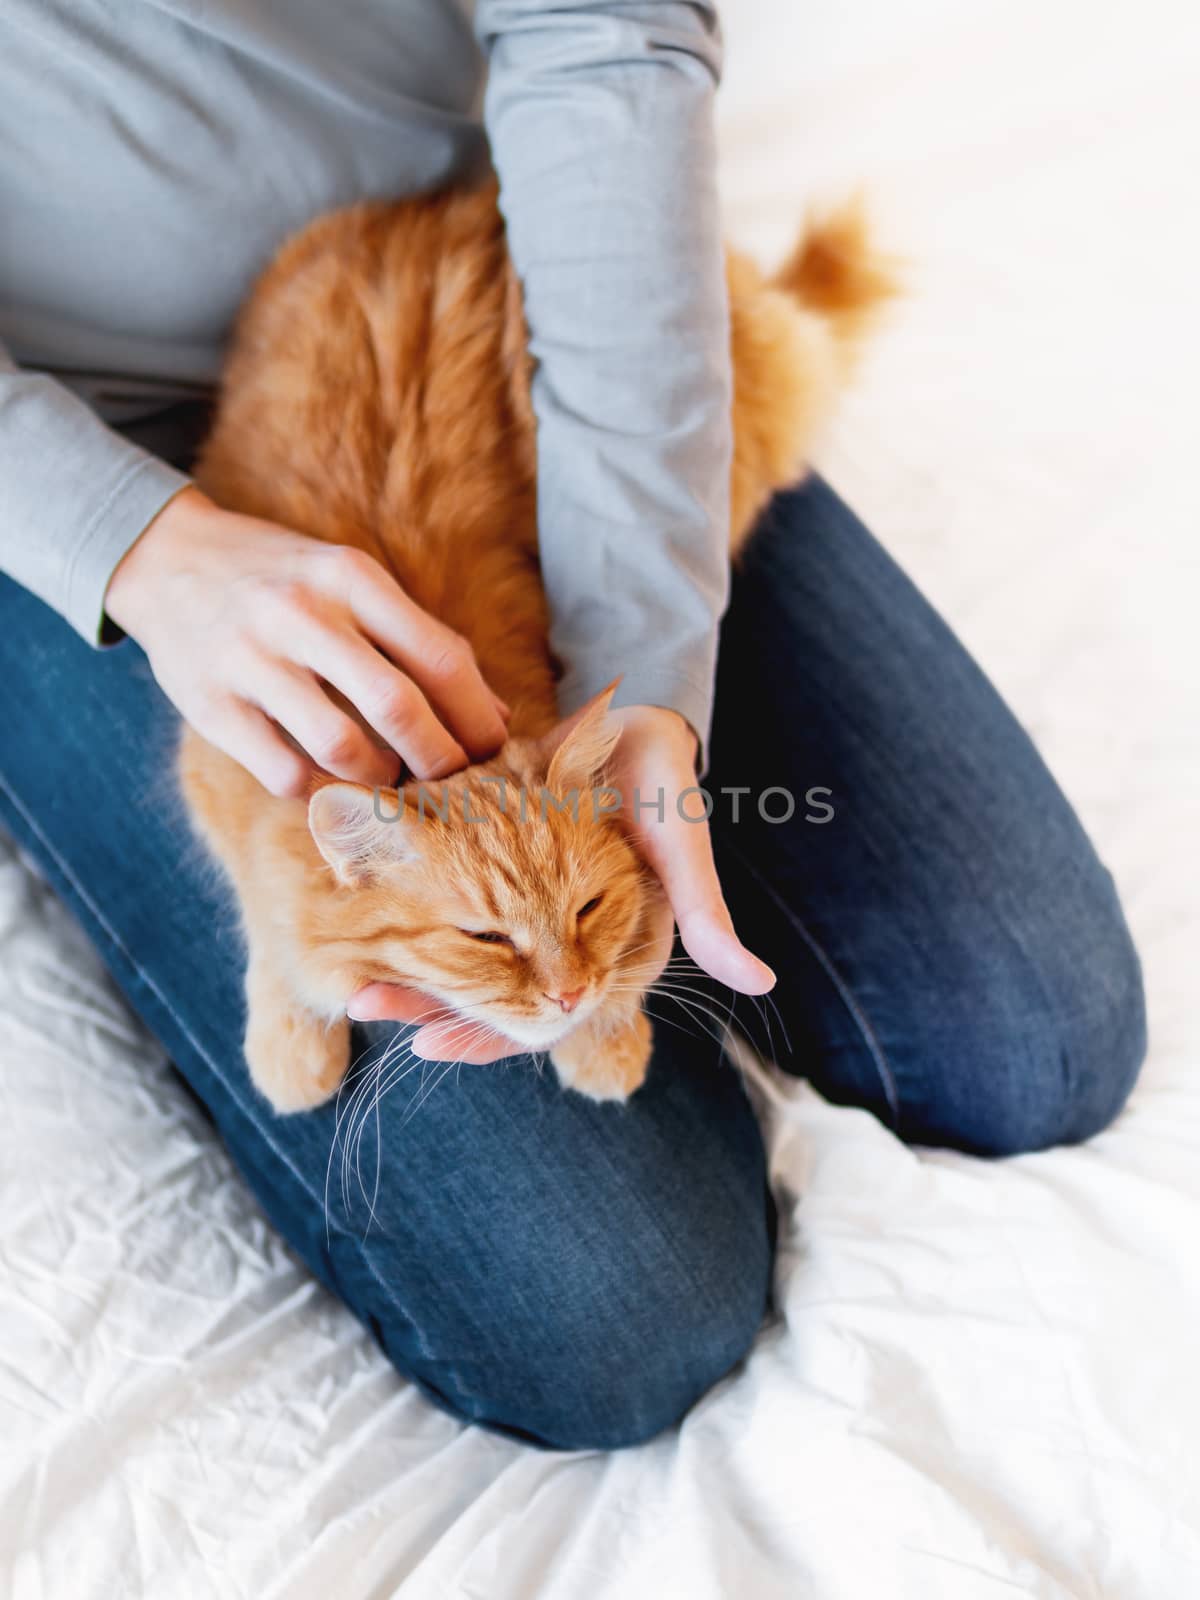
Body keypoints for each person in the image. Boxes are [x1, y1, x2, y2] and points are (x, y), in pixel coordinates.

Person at [0, 0, 1146, 1450]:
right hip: (62, 456)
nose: (547, 987)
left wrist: (651, 671)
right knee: (624, 1323)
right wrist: (129, 545)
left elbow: (603, 31)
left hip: (465, 282)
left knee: (1039, 1038)